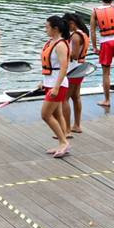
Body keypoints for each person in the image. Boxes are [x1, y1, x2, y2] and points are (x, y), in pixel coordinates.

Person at [40, 15, 71, 158]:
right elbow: (50, 66)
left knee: (45, 115)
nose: (45, 29)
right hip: (49, 82)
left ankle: (64, 142)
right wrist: (43, 81)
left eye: (47, 27)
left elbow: (64, 67)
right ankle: (62, 142)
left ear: (55, 28)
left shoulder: (60, 45)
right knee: (57, 114)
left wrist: (57, 87)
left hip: (57, 85)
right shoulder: (50, 42)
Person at [62, 12, 90, 134]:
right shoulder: (83, 33)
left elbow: (74, 55)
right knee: (76, 97)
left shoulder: (75, 36)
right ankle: (76, 125)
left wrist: (62, 51)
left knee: (64, 99)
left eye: (66, 25)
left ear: (72, 24)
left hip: (74, 69)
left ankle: (67, 128)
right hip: (80, 68)